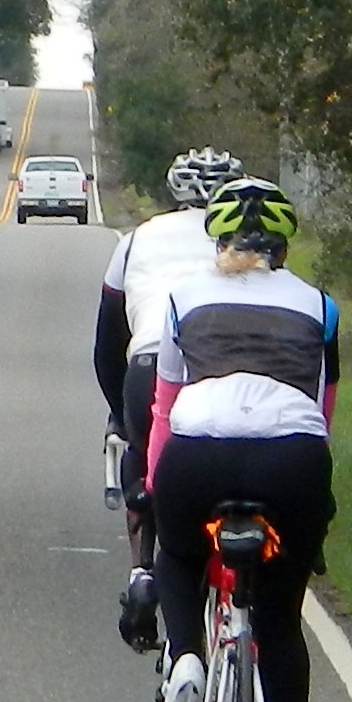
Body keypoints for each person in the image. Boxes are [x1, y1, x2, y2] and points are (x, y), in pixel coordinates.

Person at [140, 175, 335, 702]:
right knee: (279, 624)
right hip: (291, 459)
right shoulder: (319, 306)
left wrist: (154, 486)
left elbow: (164, 407)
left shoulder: (183, 298)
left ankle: (188, 661)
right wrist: (313, 517)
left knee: (177, 555)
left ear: (217, 241)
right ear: (283, 247)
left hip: (199, 452)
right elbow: (321, 414)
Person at [92, 147, 240, 509]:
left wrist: (121, 414)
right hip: (231, 368)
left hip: (151, 362)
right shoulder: (254, 247)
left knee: (143, 460)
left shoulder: (135, 240)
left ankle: (143, 533)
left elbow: (108, 345)